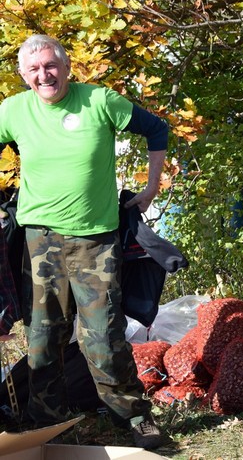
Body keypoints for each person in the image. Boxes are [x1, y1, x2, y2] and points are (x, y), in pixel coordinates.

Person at [0, 34, 169, 449]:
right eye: (34, 69)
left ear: (66, 66)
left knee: (104, 336)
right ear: (24, 75)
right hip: (40, 241)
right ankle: (47, 423)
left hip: (95, 241)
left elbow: (156, 128)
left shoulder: (99, 101)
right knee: (42, 338)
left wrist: (149, 190)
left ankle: (134, 416)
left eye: (51, 65)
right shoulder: (13, 110)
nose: (44, 75)